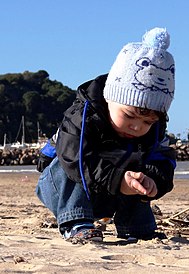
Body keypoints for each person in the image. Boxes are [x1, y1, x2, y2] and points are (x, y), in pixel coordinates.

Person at [36, 27, 176, 243]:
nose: (137, 127)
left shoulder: (154, 131)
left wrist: (153, 179)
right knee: (70, 164)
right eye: (129, 116)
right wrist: (118, 179)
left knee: (139, 173)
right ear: (110, 98)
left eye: (148, 122)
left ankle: (137, 228)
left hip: (109, 192)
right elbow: (74, 157)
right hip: (64, 189)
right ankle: (77, 223)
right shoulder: (82, 117)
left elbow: (165, 158)